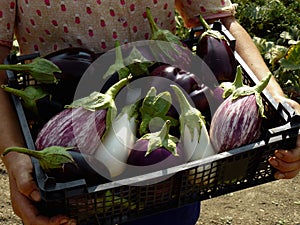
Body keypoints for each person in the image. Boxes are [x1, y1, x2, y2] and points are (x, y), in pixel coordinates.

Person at [0, 1, 299, 225]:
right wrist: (16, 160)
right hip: (69, 170)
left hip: (168, 162)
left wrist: (281, 104)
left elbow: (219, 21)